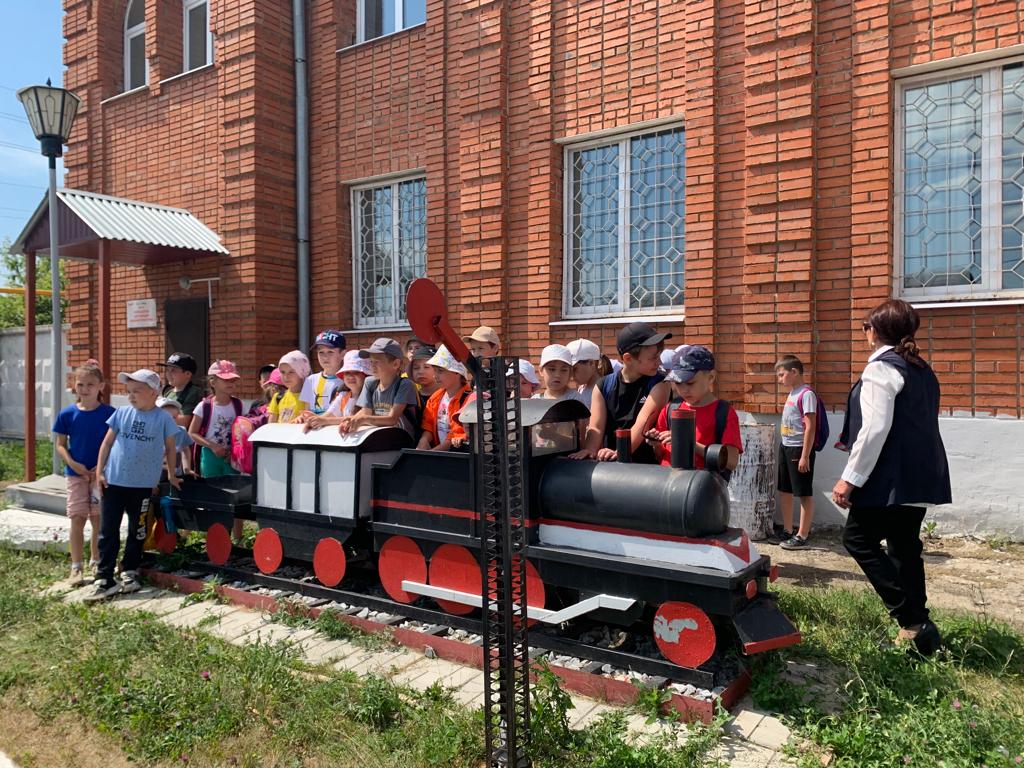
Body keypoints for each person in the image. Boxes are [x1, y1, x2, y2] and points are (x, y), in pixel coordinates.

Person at [832, 299, 951, 656]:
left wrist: (850, 478)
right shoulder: (921, 368)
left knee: (858, 540)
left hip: (889, 479)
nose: (864, 333)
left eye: (865, 327)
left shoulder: (881, 369)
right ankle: (918, 630)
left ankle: (912, 619)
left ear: (875, 331)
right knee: (904, 547)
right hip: (921, 474)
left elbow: (874, 430)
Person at [86, 370, 181, 602]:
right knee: (108, 530)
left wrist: (171, 475)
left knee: (137, 531)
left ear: (154, 392)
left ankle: (129, 570)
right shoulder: (121, 413)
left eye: (136, 391)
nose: (131, 396)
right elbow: (107, 443)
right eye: (128, 391)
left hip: (142, 486)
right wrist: (99, 472)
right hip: (114, 482)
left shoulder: (163, 419)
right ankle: (104, 577)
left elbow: (170, 448)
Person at [52, 360, 116, 586]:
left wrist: (101, 466)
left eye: (90, 384)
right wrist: (72, 462)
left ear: (101, 386)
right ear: (74, 385)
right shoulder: (67, 414)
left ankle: (96, 560)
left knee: (97, 518)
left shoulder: (110, 414)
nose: (85, 389)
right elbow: (60, 444)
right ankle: (76, 566)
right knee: (77, 517)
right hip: (75, 474)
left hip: (100, 475)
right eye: (80, 384)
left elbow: (114, 444)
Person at [571, 322, 671, 463]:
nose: (659, 362)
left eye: (659, 356)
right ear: (628, 358)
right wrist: (590, 450)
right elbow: (596, 427)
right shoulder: (603, 386)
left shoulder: (661, 384)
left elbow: (642, 423)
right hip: (611, 465)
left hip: (647, 467)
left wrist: (620, 452)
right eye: (653, 358)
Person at [646, 346, 742, 478]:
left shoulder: (723, 413)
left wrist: (690, 444)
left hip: (701, 486)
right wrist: (656, 445)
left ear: (711, 377)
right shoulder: (670, 409)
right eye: (678, 383)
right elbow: (661, 456)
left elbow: (731, 461)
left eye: (690, 383)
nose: (684, 390)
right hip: (667, 483)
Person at [771, 355, 819, 548]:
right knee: (785, 490)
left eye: (781, 374)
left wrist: (805, 456)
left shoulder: (806, 394)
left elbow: (810, 427)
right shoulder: (792, 393)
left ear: (794, 372)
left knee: (803, 493)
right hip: (786, 446)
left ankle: (802, 535)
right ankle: (787, 529)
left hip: (799, 449)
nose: (779, 379)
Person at [340, 338, 419, 438]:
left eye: (377, 362)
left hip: (403, 440)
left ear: (396, 364)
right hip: (379, 437)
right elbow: (365, 412)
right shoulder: (370, 383)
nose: (372, 366)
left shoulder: (404, 384)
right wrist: (350, 421)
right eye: (371, 361)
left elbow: (392, 419)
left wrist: (363, 419)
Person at [188, 360, 243, 479]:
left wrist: (235, 452)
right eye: (226, 380)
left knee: (233, 487)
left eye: (233, 380)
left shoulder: (239, 405)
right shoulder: (203, 406)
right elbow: (192, 433)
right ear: (213, 382)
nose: (231, 383)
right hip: (210, 455)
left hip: (232, 456)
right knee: (211, 487)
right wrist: (212, 446)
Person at [417, 346, 472, 451]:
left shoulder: (468, 400)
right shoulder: (435, 398)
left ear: (457, 372)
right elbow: (428, 424)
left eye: (440, 371)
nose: (435, 376)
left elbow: (457, 433)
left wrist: (433, 454)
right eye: (435, 371)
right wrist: (424, 440)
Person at [303, 351, 371, 431]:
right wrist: (310, 419)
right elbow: (329, 415)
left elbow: (359, 419)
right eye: (347, 372)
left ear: (366, 375)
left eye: (356, 372)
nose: (350, 376)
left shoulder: (372, 395)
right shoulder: (343, 396)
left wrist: (324, 421)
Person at [301, 330, 346, 415]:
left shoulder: (348, 380)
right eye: (321, 352)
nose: (325, 357)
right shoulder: (310, 380)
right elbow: (307, 411)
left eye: (330, 352)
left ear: (343, 354)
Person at [157, 353, 201, 427]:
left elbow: (184, 422)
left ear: (188, 374)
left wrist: (155, 418)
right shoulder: (168, 392)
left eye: (173, 370)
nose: (168, 374)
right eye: (167, 370)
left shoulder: (194, 392)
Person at [267, 351, 311, 424]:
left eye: (291, 372)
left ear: (301, 372)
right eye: (283, 372)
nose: (286, 377)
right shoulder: (278, 397)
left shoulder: (310, 397)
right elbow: (271, 425)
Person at [156, 397, 195, 478]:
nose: (171, 421)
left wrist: (187, 468)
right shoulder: (149, 433)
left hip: (176, 475)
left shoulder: (181, 431)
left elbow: (185, 449)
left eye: (174, 417)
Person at [567, 338, 601, 408]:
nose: (572, 376)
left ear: (591, 363)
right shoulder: (582, 389)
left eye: (575, 369)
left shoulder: (604, 390)